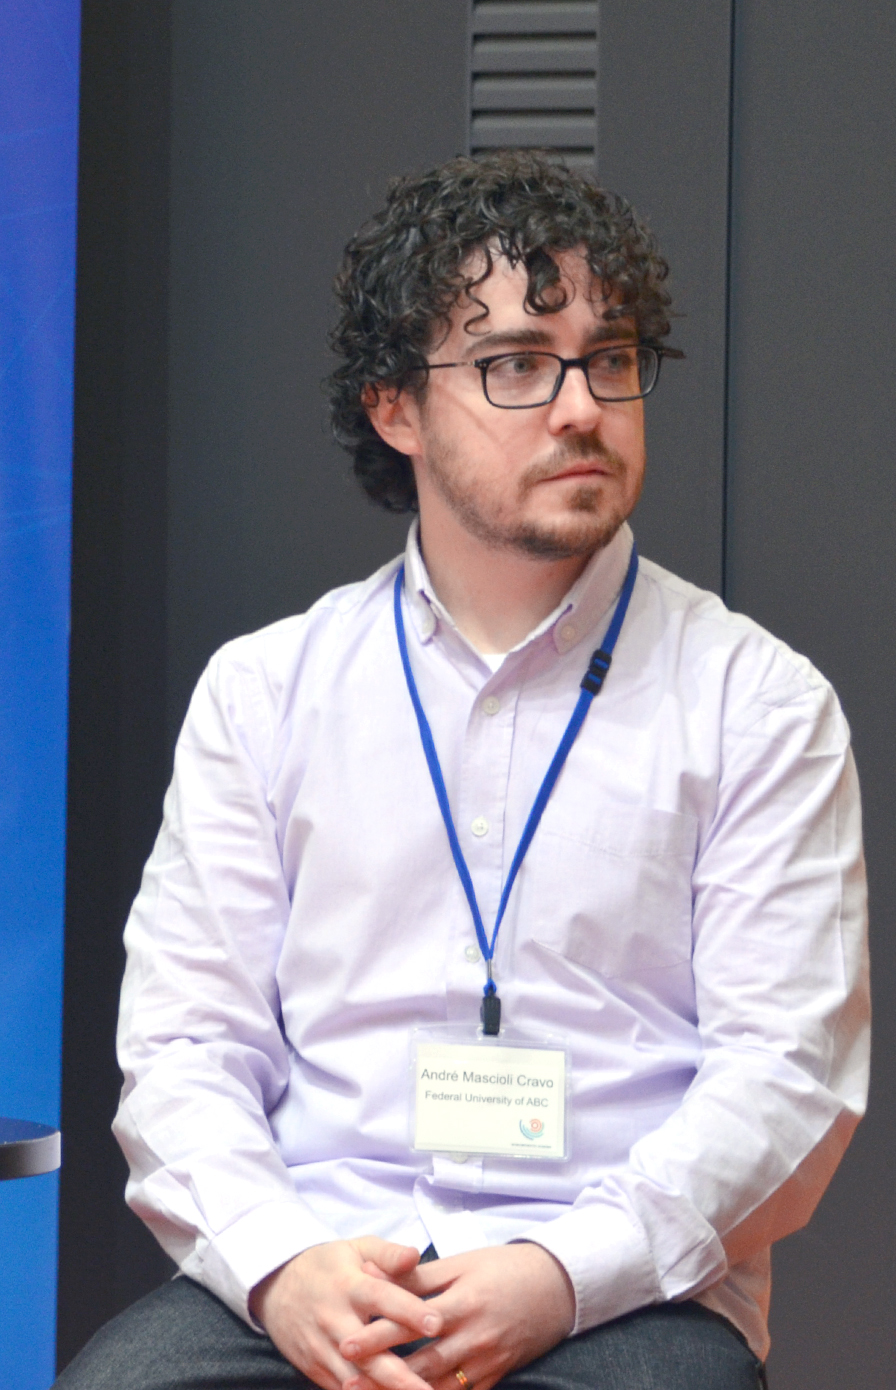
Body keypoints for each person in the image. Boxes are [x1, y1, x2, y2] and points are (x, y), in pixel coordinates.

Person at [57, 151, 868, 1390]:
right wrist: (281, 1265)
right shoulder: (266, 691)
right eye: (514, 365)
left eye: (608, 358)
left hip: (617, 1294)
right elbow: (184, 1050)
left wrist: (556, 1272)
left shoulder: (754, 702)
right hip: (320, 1262)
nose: (581, 406)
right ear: (394, 407)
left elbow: (782, 1078)